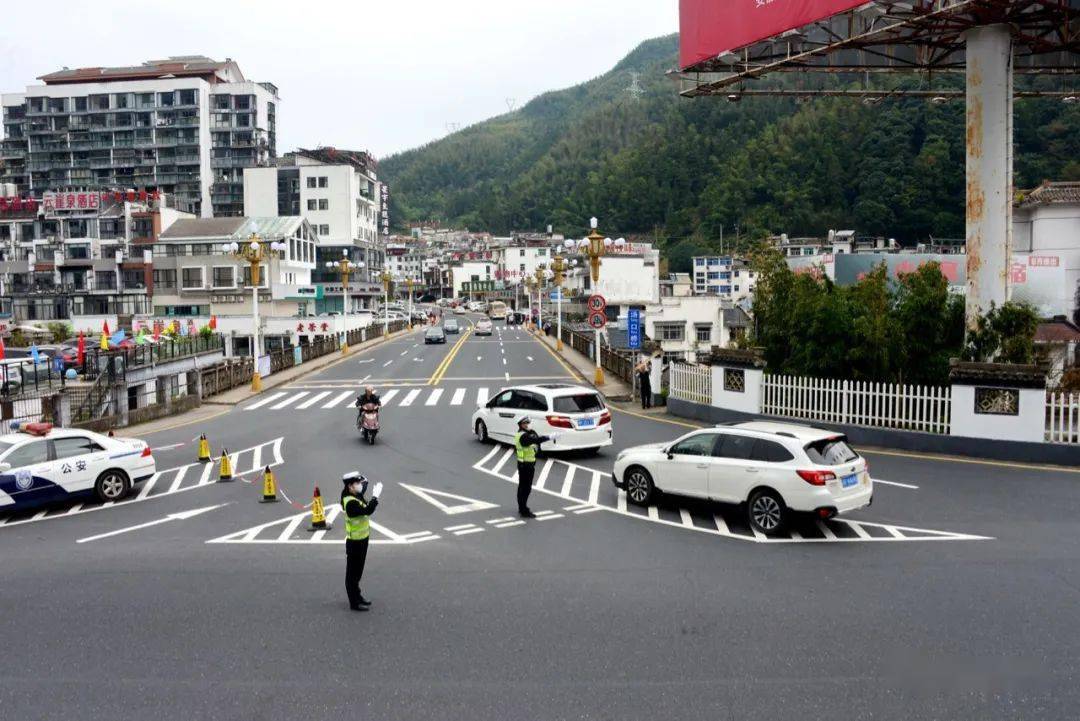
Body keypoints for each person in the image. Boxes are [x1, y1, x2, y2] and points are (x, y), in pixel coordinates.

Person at [341, 472, 383, 611]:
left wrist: (365, 482)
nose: (360, 485)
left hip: (363, 540)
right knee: (352, 574)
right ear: (350, 486)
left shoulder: (354, 494)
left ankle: (358, 596)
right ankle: (354, 602)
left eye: (359, 483)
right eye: (357, 483)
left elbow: (362, 490)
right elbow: (367, 510)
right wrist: (375, 496)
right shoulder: (350, 503)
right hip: (355, 543)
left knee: (358, 572)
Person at [514, 417, 553, 518]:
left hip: (522, 464)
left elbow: (532, 438)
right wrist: (550, 437)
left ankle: (521, 507)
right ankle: (524, 510)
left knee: (522, 487)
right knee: (526, 488)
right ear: (521, 425)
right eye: (526, 424)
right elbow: (536, 440)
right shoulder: (524, 437)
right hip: (526, 465)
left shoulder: (520, 434)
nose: (528, 425)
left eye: (528, 423)